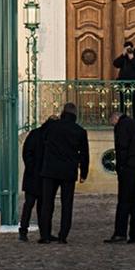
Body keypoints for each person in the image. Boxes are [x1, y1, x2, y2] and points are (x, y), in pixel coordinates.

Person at [37, 102, 90, 244]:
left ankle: (45, 235)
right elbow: (84, 154)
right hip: (68, 171)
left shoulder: (52, 126)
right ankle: (63, 236)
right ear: (75, 114)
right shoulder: (80, 131)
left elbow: (41, 138)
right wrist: (83, 173)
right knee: (67, 204)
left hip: (50, 170)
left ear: (62, 112)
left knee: (47, 203)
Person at [108, 110, 135, 243]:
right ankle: (134, 235)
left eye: (112, 123)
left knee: (124, 201)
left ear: (115, 118)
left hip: (128, 168)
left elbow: (122, 148)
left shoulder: (121, 126)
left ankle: (120, 233)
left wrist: (121, 167)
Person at [19, 116, 54, 241]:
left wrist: (31, 167)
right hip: (43, 176)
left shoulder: (35, 133)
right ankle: (44, 233)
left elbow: (26, 152)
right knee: (41, 206)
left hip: (32, 175)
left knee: (29, 205)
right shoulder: (50, 136)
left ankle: (24, 231)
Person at [114, 41, 135, 120]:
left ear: (132, 48)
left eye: (129, 48)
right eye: (126, 48)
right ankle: (123, 119)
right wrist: (123, 55)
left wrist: (132, 58)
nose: (128, 50)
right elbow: (115, 64)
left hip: (133, 83)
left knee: (134, 101)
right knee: (123, 102)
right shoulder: (123, 57)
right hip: (123, 83)